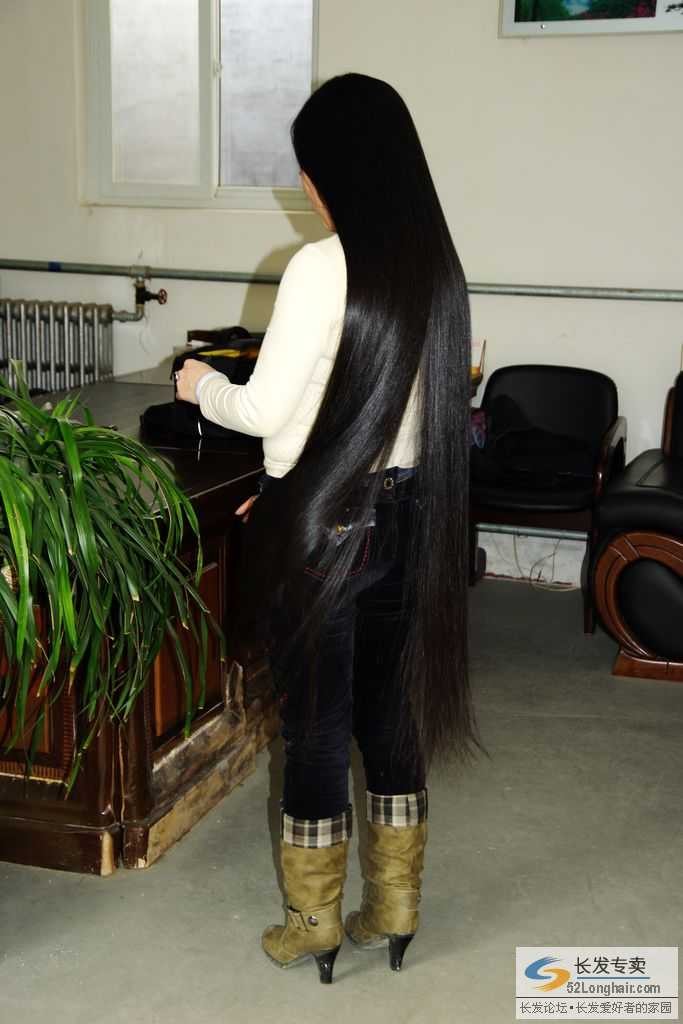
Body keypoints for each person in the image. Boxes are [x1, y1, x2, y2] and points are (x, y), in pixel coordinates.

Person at [175, 72, 479, 985]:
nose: (305, 188)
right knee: (389, 714)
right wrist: (285, 491)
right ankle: (394, 907)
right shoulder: (437, 267)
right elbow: (381, 422)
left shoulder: (319, 267)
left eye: (307, 170)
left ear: (331, 174)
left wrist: (199, 384)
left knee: (313, 729)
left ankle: (311, 923)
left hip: (327, 537)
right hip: (409, 519)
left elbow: (267, 411)